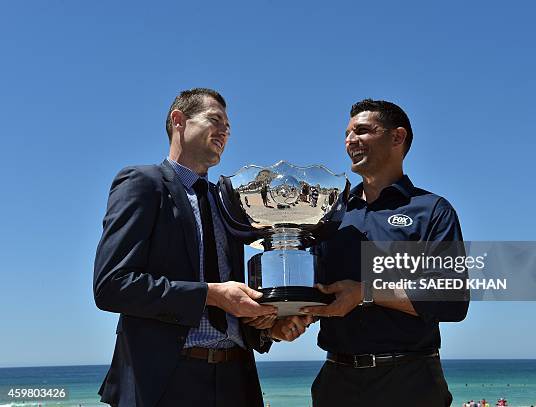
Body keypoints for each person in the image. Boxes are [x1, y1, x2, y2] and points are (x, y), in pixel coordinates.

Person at [94, 88, 308, 407]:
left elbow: (236, 296)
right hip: (166, 382)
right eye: (215, 120)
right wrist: (211, 294)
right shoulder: (143, 183)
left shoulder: (229, 202)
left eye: (229, 128)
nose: (224, 131)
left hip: (238, 380)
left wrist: (268, 324)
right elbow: (112, 286)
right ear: (178, 120)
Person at [302, 99, 470, 406]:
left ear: (397, 137)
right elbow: (317, 290)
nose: (350, 141)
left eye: (363, 131)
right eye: (347, 134)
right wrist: (285, 316)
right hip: (336, 383)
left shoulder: (432, 211)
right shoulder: (329, 214)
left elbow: (453, 300)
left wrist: (365, 292)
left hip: (410, 382)